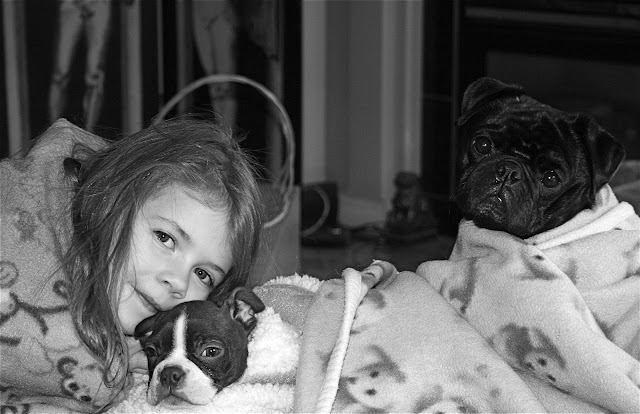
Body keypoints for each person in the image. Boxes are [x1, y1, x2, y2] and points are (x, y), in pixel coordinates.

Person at [0, 117, 263, 411]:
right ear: (111, 200)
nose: (178, 281)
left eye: (202, 274)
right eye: (165, 238)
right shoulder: (22, 237)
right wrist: (112, 363)